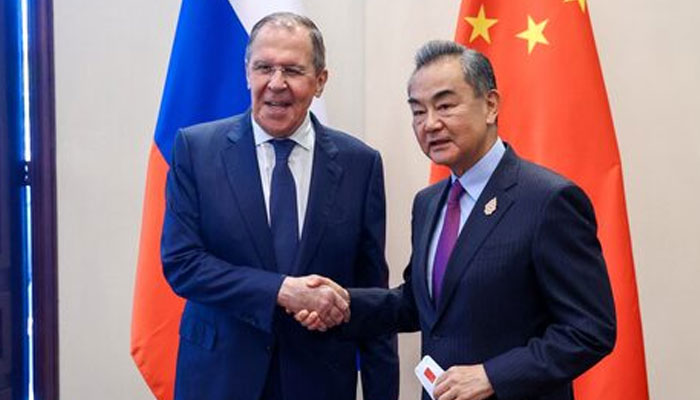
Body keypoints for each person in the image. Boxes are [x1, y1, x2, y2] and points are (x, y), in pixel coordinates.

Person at [297, 41, 616, 400]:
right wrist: (341, 304)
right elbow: (419, 305)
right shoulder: (429, 203)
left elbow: (589, 330)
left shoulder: (547, 200)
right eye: (418, 111)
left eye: (445, 106)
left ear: (491, 105)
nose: (430, 124)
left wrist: (493, 376)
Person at [161, 12, 399, 400]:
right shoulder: (196, 149)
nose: (276, 84)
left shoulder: (361, 164)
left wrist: (381, 392)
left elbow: (371, 295)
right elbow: (182, 264)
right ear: (246, 72)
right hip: (220, 379)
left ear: (320, 81)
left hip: (320, 381)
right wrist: (282, 290)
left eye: (293, 70)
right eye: (264, 68)